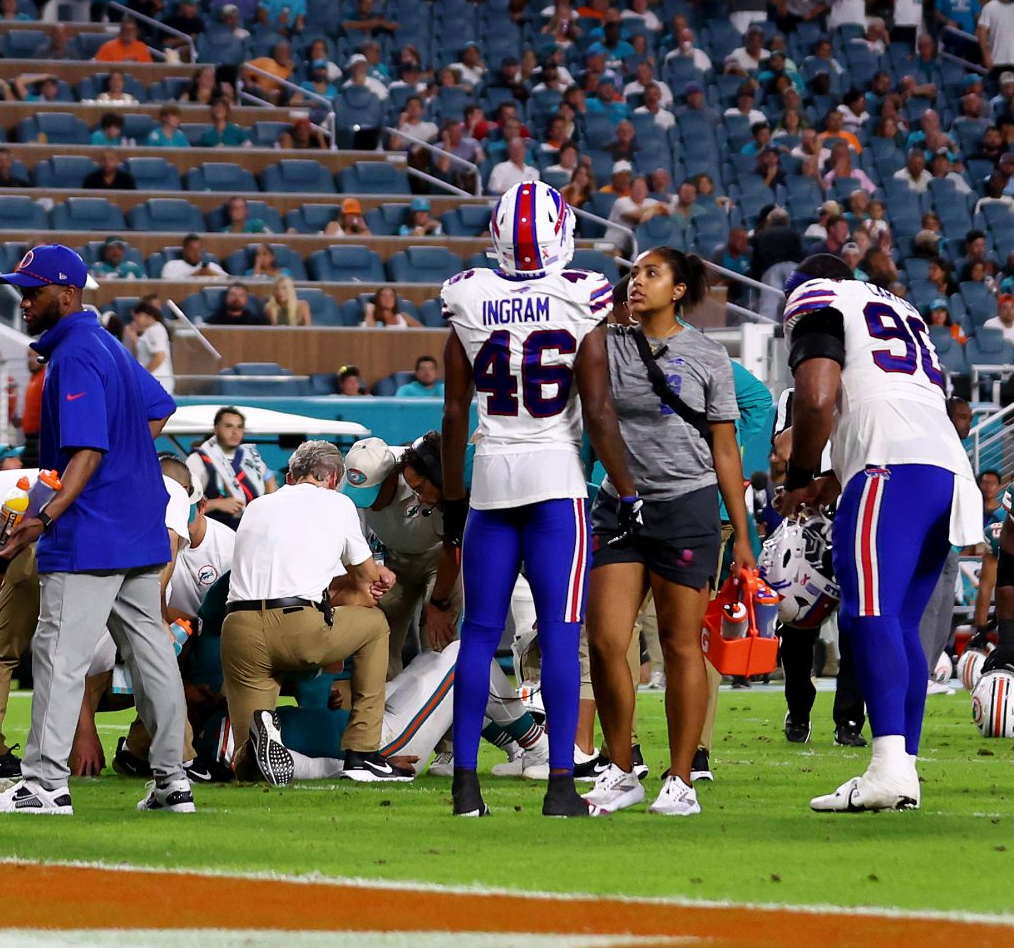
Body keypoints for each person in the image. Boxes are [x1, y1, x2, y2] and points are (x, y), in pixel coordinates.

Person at [434, 181, 641, 818]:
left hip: (492, 480)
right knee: (559, 633)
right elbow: (600, 413)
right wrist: (629, 490)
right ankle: (558, 785)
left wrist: (452, 496)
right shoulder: (580, 297)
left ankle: (465, 786)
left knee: (479, 636)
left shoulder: (468, 296)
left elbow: (452, 413)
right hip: (555, 484)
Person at [0, 244, 191, 816]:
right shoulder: (109, 346)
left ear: (67, 294)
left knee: (58, 654)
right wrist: (122, 466)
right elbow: (159, 406)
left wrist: (45, 516)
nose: (24, 301)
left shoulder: (73, 352)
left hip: (90, 531)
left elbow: (89, 449)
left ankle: (45, 785)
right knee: (150, 654)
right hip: (138, 525)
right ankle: (173, 781)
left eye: (34, 290)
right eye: (22, 289)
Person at [779, 252, 982, 812]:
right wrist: (832, 479)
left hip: (887, 468)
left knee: (867, 614)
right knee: (900, 623)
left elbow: (818, 399)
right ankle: (903, 770)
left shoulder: (818, 299)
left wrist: (799, 476)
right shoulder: (902, 309)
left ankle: (888, 768)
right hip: (945, 470)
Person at [582, 249, 753, 818]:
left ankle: (680, 780)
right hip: (620, 504)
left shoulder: (706, 355)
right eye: (633, 274)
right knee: (607, 640)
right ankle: (621, 768)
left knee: (681, 645)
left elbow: (725, 450)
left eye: (651, 274)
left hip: (687, 505)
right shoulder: (605, 342)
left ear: (679, 290)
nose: (637, 282)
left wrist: (743, 535)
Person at [224, 440, 408, 783]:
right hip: (298, 626)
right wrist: (382, 576)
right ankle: (362, 751)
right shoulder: (337, 504)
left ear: (291, 475)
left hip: (238, 627)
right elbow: (366, 577)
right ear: (335, 476)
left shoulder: (257, 505)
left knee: (248, 758)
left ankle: (253, 748)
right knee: (374, 623)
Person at [765, 388, 866, 747]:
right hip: (808, 526)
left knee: (856, 624)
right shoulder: (795, 396)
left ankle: (850, 720)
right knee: (795, 626)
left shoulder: (864, 394)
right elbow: (784, 449)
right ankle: (799, 709)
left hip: (853, 519)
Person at [191, 406, 276, 522]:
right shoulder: (199, 459)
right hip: (216, 531)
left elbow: (270, 484)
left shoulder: (251, 458)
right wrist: (217, 504)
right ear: (216, 429)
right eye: (228, 426)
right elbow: (185, 505)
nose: (235, 432)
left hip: (250, 529)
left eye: (239, 427)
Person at [131, 297, 172, 394]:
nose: (135, 322)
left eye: (135, 318)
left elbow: (159, 357)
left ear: (143, 315)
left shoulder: (155, 330)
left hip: (158, 380)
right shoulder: (149, 331)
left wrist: (144, 375)